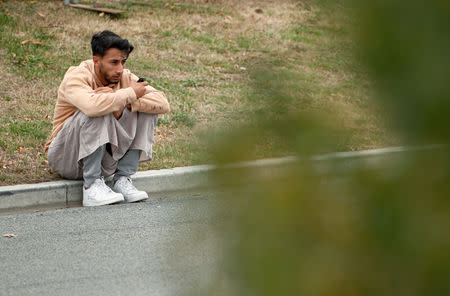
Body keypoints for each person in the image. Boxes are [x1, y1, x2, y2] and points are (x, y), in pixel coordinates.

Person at [45, 30, 170, 207]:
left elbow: (162, 102)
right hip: (67, 158)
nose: (120, 69)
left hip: (105, 161)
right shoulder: (77, 76)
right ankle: (91, 187)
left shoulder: (124, 77)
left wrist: (121, 96)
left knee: (145, 108)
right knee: (99, 107)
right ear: (96, 60)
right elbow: (91, 106)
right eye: (114, 62)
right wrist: (125, 95)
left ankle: (122, 180)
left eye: (123, 62)